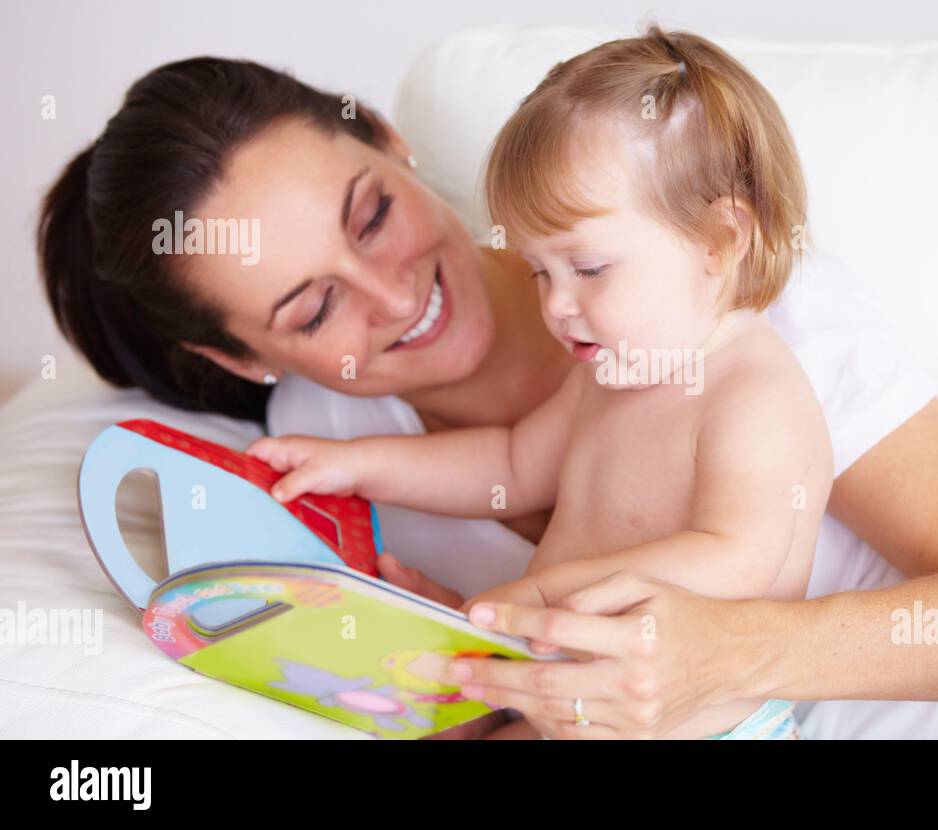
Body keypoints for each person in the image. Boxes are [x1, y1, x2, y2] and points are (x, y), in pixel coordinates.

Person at [36, 27, 938, 739]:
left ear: (392, 141)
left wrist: (719, 651)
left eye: (370, 213)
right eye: (309, 307)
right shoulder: (327, 458)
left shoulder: (705, 285)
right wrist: (445, 668)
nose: (391, 296)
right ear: (246, 362)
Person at [246, 29, 834, 740]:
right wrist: (357, 463)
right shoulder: (613, 374)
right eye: (538, 272)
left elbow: (738, 556)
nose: (555, 305)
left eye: (587, 270)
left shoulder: (753, 392)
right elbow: (511, 463)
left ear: (719, 240)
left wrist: (549, 597)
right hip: (577, 710)